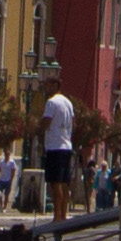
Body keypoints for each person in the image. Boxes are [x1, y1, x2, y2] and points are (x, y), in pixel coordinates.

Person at [40, 83, 76, 229]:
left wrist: (37, 126)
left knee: (55, 183)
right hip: (67, 146)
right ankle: (64, 215)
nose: (46, 88)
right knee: (64, 183)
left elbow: (46, 122)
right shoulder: (68, 102)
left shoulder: (51, 102)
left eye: (48, 85)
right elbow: (74, 123)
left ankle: (57, 216)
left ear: (55, 85)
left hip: (54, 147)